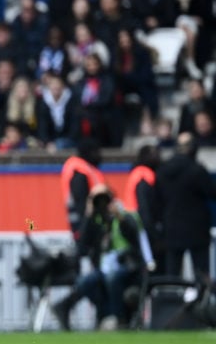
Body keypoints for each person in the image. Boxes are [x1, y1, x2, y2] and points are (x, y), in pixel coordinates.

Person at [51, 185, 156, 330]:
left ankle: (119, 319)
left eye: (104, 198)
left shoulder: (126, 215)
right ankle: (65, 306)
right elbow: (82, 247)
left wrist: (118, 217)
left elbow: (135, 238)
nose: (102, 204)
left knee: (112, 278)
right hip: (105, 268)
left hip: (129, 265)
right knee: (86, 281)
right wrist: (88, 216)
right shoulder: (97, 221)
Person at [155, 133, 216, 286]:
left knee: (172, 277)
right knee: (201, 276)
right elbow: (212, 193)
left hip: (172, 227)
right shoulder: (197, 170)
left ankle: (170, 308)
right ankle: (201, 308)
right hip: (197, 229)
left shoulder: (162, 171)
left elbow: (157, 200)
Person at [60, 138, 105, 239]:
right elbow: (80, 202)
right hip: (83, 224)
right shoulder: (80, 174)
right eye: (96, 152)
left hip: (85, 222)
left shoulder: (85, 170)